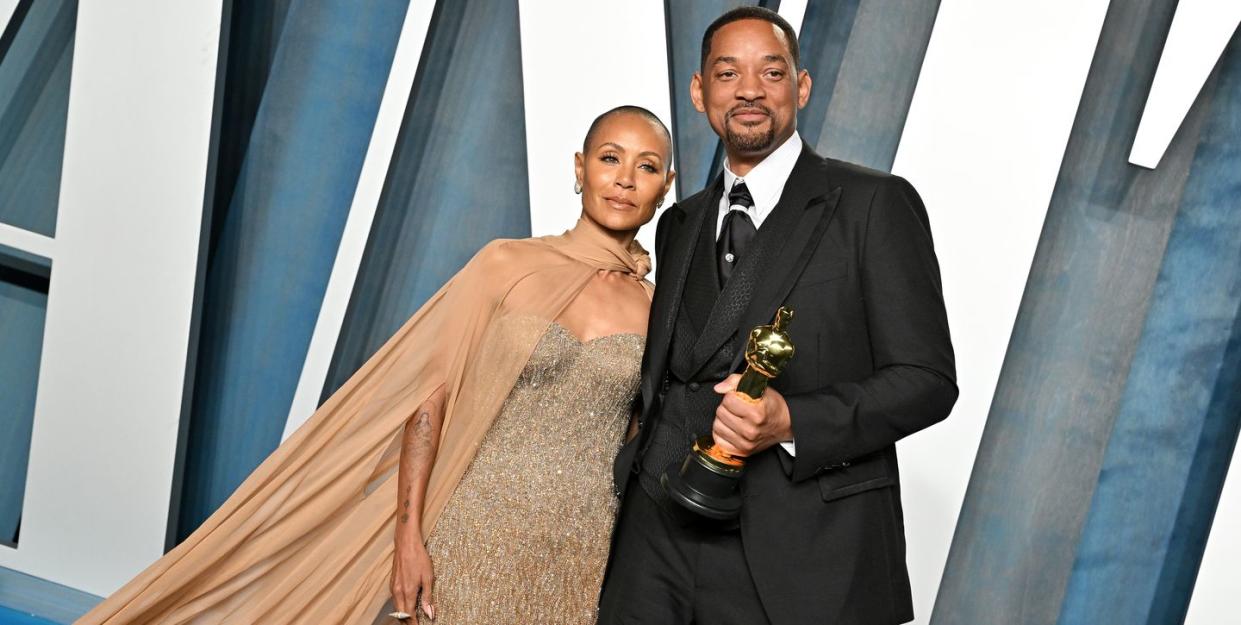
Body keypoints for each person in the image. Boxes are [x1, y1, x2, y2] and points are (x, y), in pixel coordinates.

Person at [74, 105, 674, 625]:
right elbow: (428, 404)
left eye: (645, 167)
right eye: (609, 159)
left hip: (580, 546)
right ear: (579, 168)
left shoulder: (659, 310)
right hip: (468, 526)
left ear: (664, 186)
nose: (624, 180)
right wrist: (408, 537)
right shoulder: (505, 265)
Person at [599, 8, 957, 625]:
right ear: (699, 91)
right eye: (727, 72)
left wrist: (792, 420)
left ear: (802, 86)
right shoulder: (678, 222)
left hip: (801, 556)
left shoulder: (875, 205)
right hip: (654, 543)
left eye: (771, 71)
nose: (748, 90)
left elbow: (926, 380)